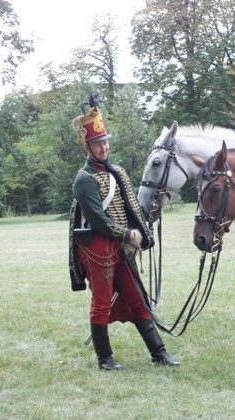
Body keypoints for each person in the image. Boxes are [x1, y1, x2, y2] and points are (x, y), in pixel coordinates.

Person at [68, 97, 179, 370]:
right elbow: (99, 220)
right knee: (102, 303)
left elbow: (131, 207)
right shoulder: (84, 180)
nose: (104, 147)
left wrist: (143, 230)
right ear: (87, 146)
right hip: (97, 248)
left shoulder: (116, 171)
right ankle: (105, 359)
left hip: (119, 247)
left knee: (137, 298)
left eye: (105, 142)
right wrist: (129, 235)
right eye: (98, 143)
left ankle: (159, 354)